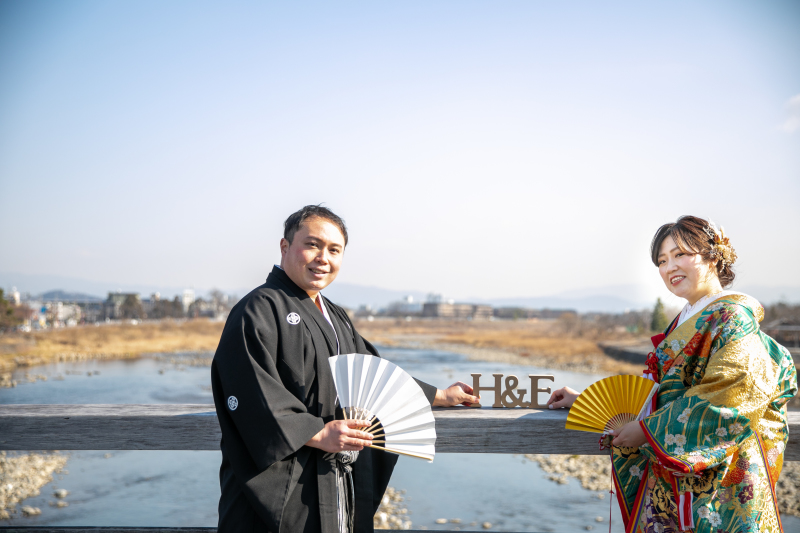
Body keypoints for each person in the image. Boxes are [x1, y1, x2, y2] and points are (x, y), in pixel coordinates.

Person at [211, 205, 478, 533]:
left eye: (334, 250)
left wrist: (440, 395)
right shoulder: (258, 309)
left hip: (331, 477)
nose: (323, 257)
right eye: (312, 245)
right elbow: (252, 392)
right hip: (283, 486)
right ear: (285, 247)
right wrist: (317, 432)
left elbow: (373, 373)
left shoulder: (334, 316)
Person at [547, 216, 797, 533]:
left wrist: (649, 430)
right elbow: (665, 392)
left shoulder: (733, 317)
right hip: (679, 476)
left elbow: (728, 396)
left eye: (680, 255)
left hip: (722, 477)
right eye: (662, 261)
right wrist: (586, 401)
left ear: (713, 256)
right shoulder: (688, 318)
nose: (669, 268)